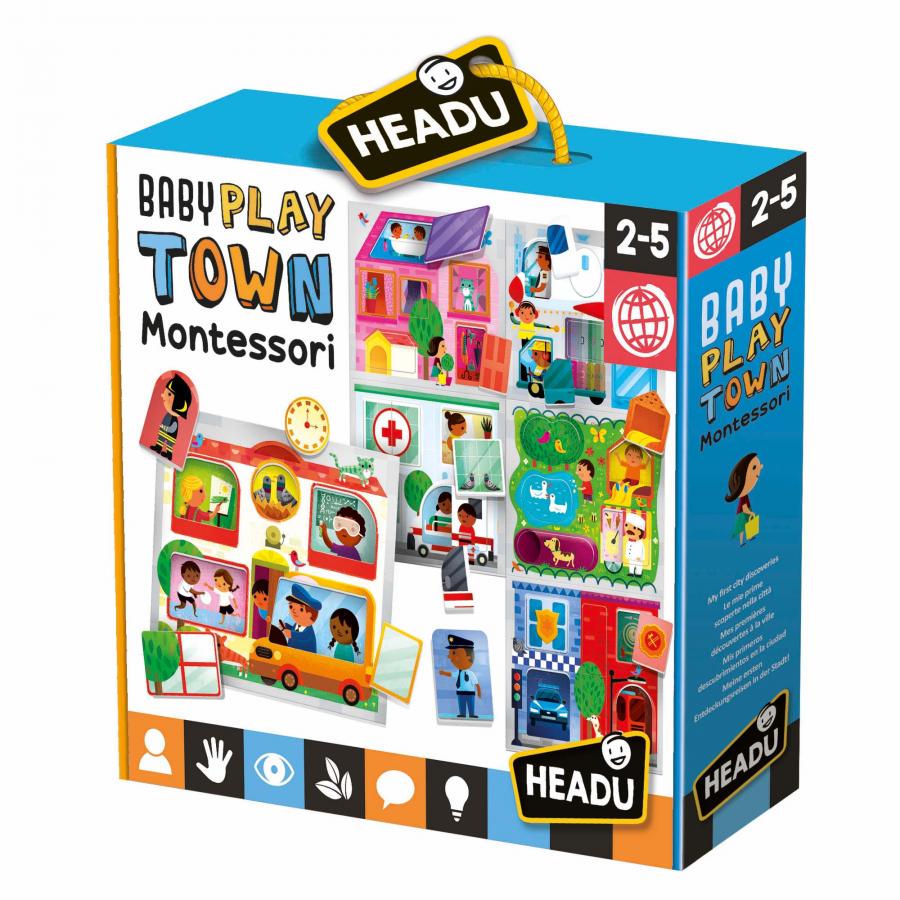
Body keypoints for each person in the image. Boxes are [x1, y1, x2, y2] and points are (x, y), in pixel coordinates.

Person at [438, 633, 481, 718]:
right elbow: (451, 674)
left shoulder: (471, 674)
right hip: (460, 692)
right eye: (450, 653)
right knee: (461, 703)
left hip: (470, 693)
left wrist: (479, 691)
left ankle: (471, 714)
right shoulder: (458, 672)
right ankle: (462, 713)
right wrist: (443, 673)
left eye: (454, 653)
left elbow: (476, 683)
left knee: (471, 703)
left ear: (469, 657)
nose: (450, 657)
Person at [150, 373, 192, 460]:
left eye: (169, 394)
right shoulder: (168, 415)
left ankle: (169, 454)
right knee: (161, 439)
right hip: (163, 432)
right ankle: (158, 447)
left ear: (178, 403)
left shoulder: (174, 419)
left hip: (170, 436)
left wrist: (164, 427)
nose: (163, 396)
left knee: (169, 444)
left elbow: (172, 429)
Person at [726, 452, 763, 546]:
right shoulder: (743, 496)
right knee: (741, 528)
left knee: (748, 524)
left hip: (746, 511)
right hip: (742, 513)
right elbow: (744, 508)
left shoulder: (745, 494)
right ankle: (742, 542)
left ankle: (749, 536)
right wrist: (750, 512)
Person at [279, 582, 321, 652]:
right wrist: (286, 626)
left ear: (309, 614)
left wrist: (291, 634)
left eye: (301, 609)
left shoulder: (308, 631)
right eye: (291, 606)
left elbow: (302, 636)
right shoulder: (297, 624)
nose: (293, 610)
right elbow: (294, 630)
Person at [624, 512, 646, 576]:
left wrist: (639, 556)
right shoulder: (629, 541)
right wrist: (627, 554)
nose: (628, 529)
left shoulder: (639, 542)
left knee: (638, 564)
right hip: (631, 556)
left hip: (637, 557)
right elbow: (628, 547)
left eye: (634, 528)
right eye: (626, 525)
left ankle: (638, 573)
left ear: (640, 532)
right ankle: (631, 572)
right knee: (631, 563)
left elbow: (640, 549)